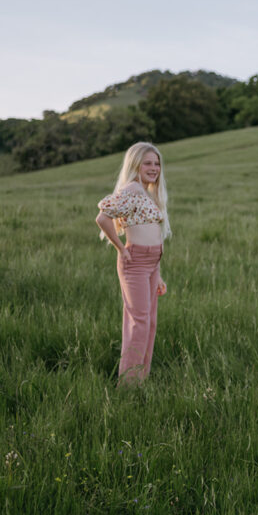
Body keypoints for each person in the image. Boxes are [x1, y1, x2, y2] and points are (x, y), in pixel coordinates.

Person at [95, 142, 171, 387]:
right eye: (148, 163)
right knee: (138, 323)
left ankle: (141, 378)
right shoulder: (132, 189)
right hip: (135, 263)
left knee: (150, 322)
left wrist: (157, 274)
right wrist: (119, 247)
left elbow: (154, 237)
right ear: (135, 164)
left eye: (157, 163)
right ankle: (128, 385)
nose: (154, 168)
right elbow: (102, 218)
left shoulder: (146, 193)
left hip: (151, 263)